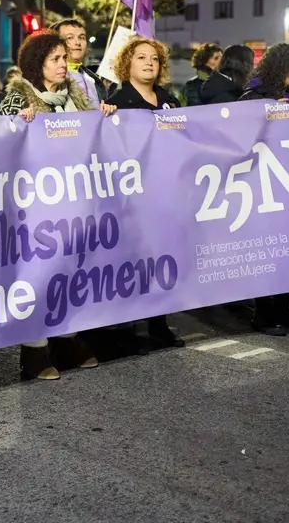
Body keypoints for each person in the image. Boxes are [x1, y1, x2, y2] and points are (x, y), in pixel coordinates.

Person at [0, 30, 116, 379]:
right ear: (38, 65)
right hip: (36, 204)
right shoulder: (18, 99)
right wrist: (17, 126)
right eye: (56, 59)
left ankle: (67, 339)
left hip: (74, 199)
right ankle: (34, 351)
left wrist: (103, 115)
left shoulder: (76, 98)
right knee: (38, 275)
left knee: (70, 271)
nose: (64, 65)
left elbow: (93, 140)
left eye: (65, 58)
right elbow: (1, 145)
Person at [105, 37, 186, 349]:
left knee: (162, 256)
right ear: (128, 64)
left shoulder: (170, 102)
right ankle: (125, 326)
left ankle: (159, 323)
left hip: (165, 192)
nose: (149, 63)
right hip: (132, 195)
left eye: (154, 58)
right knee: (132, 258)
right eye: (141, 58)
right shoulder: (118, 102)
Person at [240, 43, 289, 336]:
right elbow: (239, 138)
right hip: (262, 184)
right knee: (266, 250)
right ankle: (263, 312)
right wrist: (269, 117)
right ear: (283, 69)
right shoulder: (253, 97)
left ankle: (284, 309)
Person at [54, 18, 112, 105]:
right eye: (70, 38)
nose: (77, 42)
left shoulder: (92, 79)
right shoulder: (50, 78)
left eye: (82, 37)